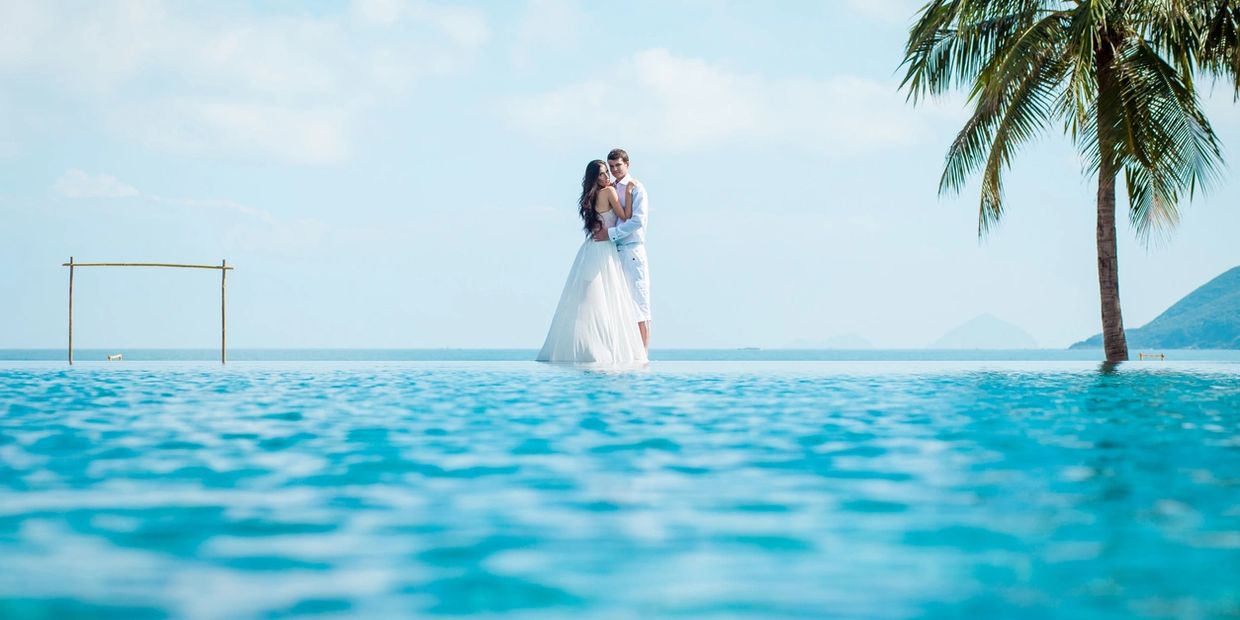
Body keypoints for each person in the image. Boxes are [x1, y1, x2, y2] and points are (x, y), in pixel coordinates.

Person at [536, 160, 647, 365]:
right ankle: (600, 349)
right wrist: (629, 192)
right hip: (605, 248)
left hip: (589, 249)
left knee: (587, 301)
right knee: (607, 300)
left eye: (607, 173)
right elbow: (627, 216)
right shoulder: (609, 193)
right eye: (603, 174)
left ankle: (580, 348)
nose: (607, 177)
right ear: (595, 178)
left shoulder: (591, 196)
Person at [592, 148, 650, 351]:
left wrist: (611, 234)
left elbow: (638, 221)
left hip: (632, 251)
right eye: (611, 166)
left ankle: (642, 354)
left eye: (618, 165)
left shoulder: (636, 188)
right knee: (617, 302)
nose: (615, 170)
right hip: (612, 253)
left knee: (638, 304)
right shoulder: (609, 187)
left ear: (627, 164)